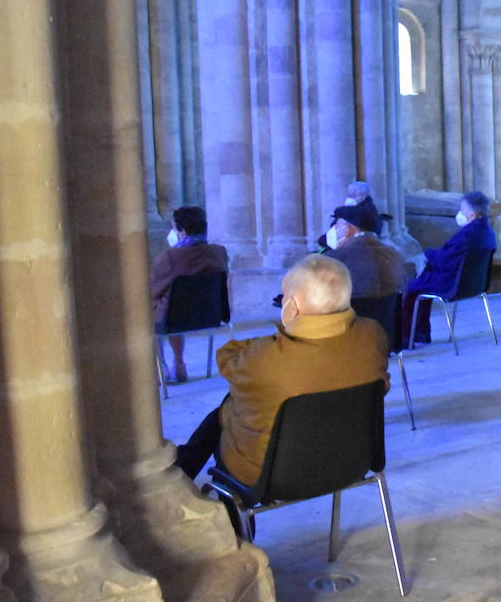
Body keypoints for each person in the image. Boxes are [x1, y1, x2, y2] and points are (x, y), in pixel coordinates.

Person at [175, 255, 389, 484]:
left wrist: (283, 335)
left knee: (230, 406)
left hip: (272, 476)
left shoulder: (266, 356)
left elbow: (227, 358)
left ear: (293, 305)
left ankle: (199, 480)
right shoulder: (373, 335)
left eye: (285, 295)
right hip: (351, 462)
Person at [403, 191, 497, 344]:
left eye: (462, 210)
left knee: (410, 288)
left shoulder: (468, 235)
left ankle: (409, 337)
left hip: (454, 284)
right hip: (475, 285)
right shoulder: (487, 232)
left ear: (472, 215)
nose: (459, 213)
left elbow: (444, 261)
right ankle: (420, 333)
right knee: (421, 285)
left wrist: (428, 254)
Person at [151, 205, 230, 384]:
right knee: (175, 305)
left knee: (153, 308)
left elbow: (153, 291)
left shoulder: (171, 256)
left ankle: (161, 368)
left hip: (175, 319)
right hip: (212, 315)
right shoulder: (219, 252)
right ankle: (179, 364)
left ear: (182, 231)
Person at [323, 203, 406, 299]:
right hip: (387, 313)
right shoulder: (395, 256)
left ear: (347, 229)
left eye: (337, 226)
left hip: (352, 313)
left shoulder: (333, 260)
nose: (334, 231)